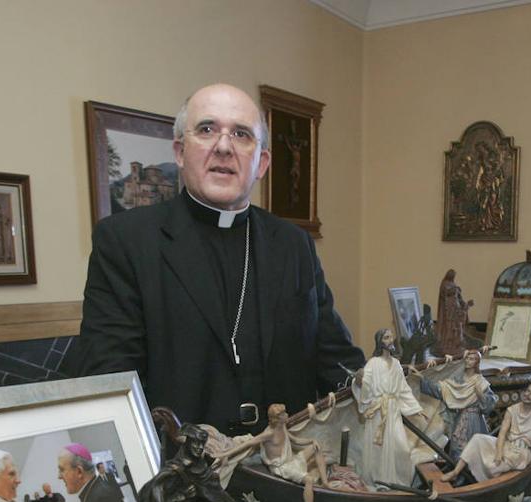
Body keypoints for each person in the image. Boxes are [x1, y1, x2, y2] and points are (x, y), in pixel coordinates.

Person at [72, 83, 364, 434]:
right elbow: (111, 380)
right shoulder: (125, 242)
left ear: (262, 163)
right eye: (207, 129)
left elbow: (335, 359)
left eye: (241, 135)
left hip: (286, 467)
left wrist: (381, 398)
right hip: (186, 472)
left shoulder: (293, 245)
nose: (224, 147)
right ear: (180, 152)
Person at [214, 402, 332, 502]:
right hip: (281, 467)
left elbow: (295, 440)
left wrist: (311, 441)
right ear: (277, 417)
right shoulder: (268, 433)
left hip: (290, 460)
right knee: (309, 480)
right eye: (284, 413)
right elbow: (248, 443)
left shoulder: (282, 427)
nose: (287, 415)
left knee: (316, 448)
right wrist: (226, 455)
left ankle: (325, 483)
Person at [354, 328, 430, 488]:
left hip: (393, 409)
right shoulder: (373, 363)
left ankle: (398, 481)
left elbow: (403, 389)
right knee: (377, 448)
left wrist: (417, 409)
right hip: (377, 411)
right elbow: (364, 384)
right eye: (387, 337)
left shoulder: (396, 364)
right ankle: (379, 481)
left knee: (401, 448)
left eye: (391, 337)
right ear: (380, 342)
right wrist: (359, 380)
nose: (391, 340)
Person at [440, 382, 531, 483]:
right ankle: (456, 472)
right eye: (527, 391)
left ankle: (493, 481)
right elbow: (502, 433)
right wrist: (499, 452)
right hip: (508, 445)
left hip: (521, 453)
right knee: (477, 439)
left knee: (498, 464)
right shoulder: (512, 410)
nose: (527, 395)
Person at [413, 348, 497, 462]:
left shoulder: (481, 382)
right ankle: (458, 475)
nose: (468, 361)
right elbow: (443, 390)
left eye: (472, 359)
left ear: (477, 363)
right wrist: (422, 379)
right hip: (460, 418)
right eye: (467, 358)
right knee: (457, 448)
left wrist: (480, 394)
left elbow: (489, 404)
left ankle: (469, 475)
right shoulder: (458, 379)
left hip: (474, 421)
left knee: (474, 450)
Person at [434, 269, 474, 358]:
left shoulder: (453, 284)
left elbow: (459, 297)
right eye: (452, 275)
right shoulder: (444, 284)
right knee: (449, 328)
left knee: (457, 327)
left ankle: (456, 344)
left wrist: (464, 304)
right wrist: (454, 289)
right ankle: (447, 345)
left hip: (455, 308)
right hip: (448, 310)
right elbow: (446, 293)